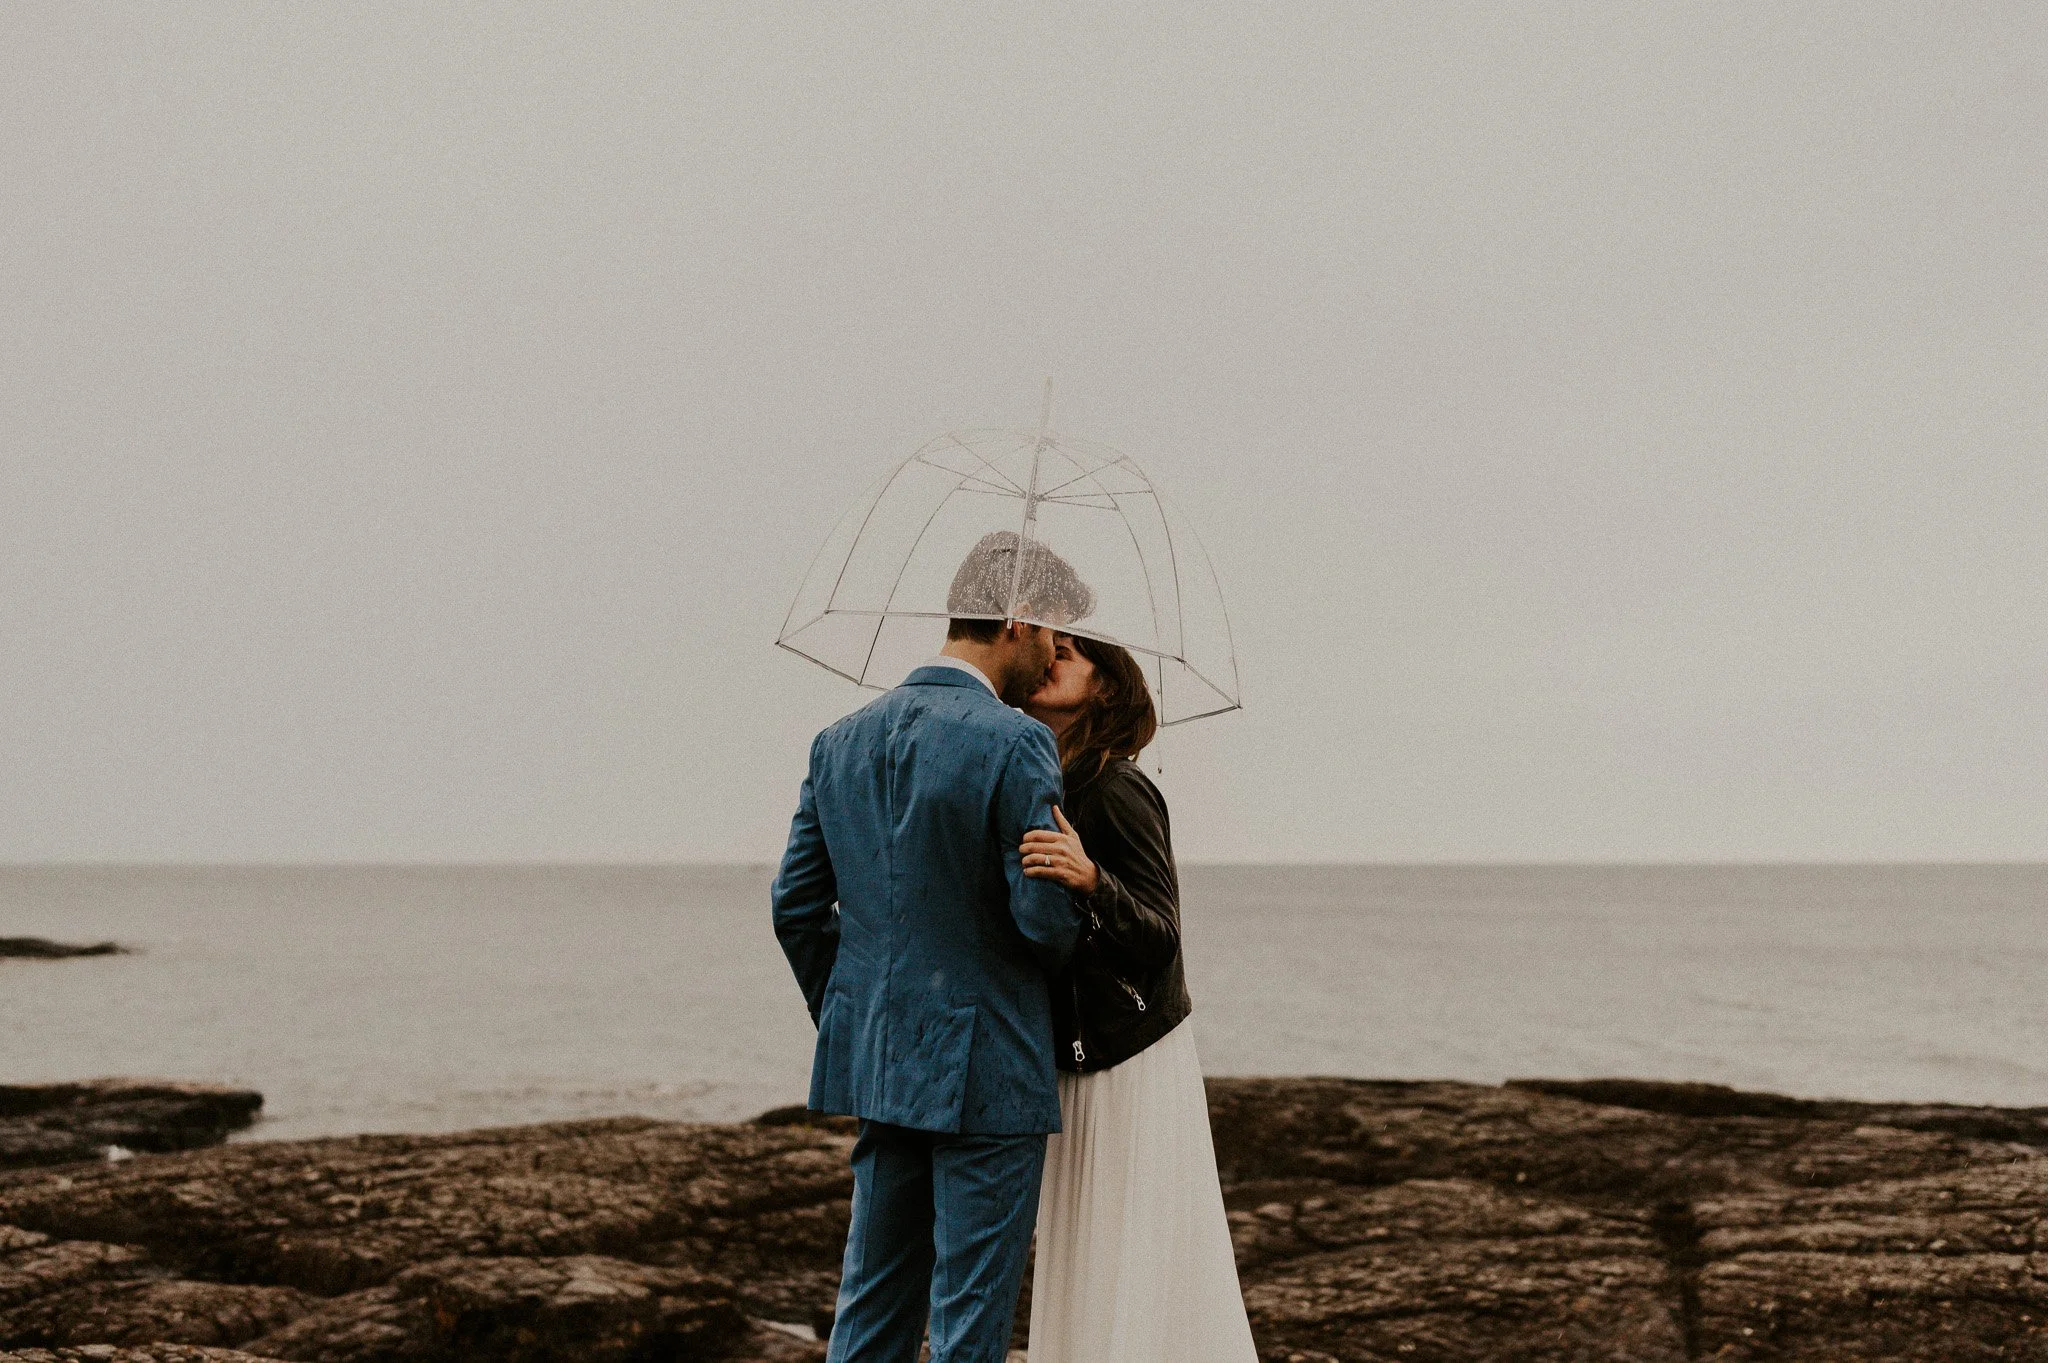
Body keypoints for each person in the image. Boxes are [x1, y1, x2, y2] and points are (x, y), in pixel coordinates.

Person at [772, 532, 1095, 1363]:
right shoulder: (1017, 742)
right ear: (1016, 620)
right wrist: (1075, 895)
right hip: (989, 1071)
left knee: (870, 1314)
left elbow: (796, 906)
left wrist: (857, 1012)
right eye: (1055, 636)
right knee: (967, 1327)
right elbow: (1040, 921)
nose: (1056, 656)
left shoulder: (839, 740)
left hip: (882, 1064)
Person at [1017, 633, 1259, 1363]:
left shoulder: (1117, 785)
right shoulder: (1050, 781)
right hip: (1075, 1052)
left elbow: (1161, 934)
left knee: (1132, 1240)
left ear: (1106, 687)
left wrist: (1092, 879)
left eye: (1070, 650)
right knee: (1088, 1240)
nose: (1050, 653)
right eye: (1047, 644)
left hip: (1130, 1055)